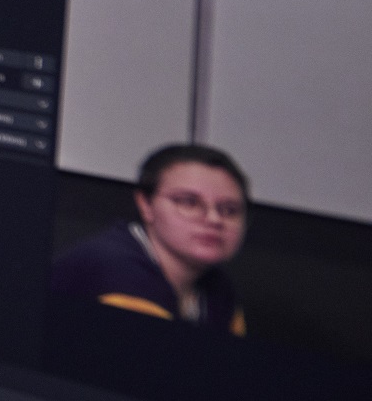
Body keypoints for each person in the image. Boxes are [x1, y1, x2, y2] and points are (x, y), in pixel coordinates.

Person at [51, 144, 249, 335]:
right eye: (189, 202)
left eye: (229, 210)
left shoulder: (219, 288)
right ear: (146, 205)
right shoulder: (114, 270)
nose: (214, 219)